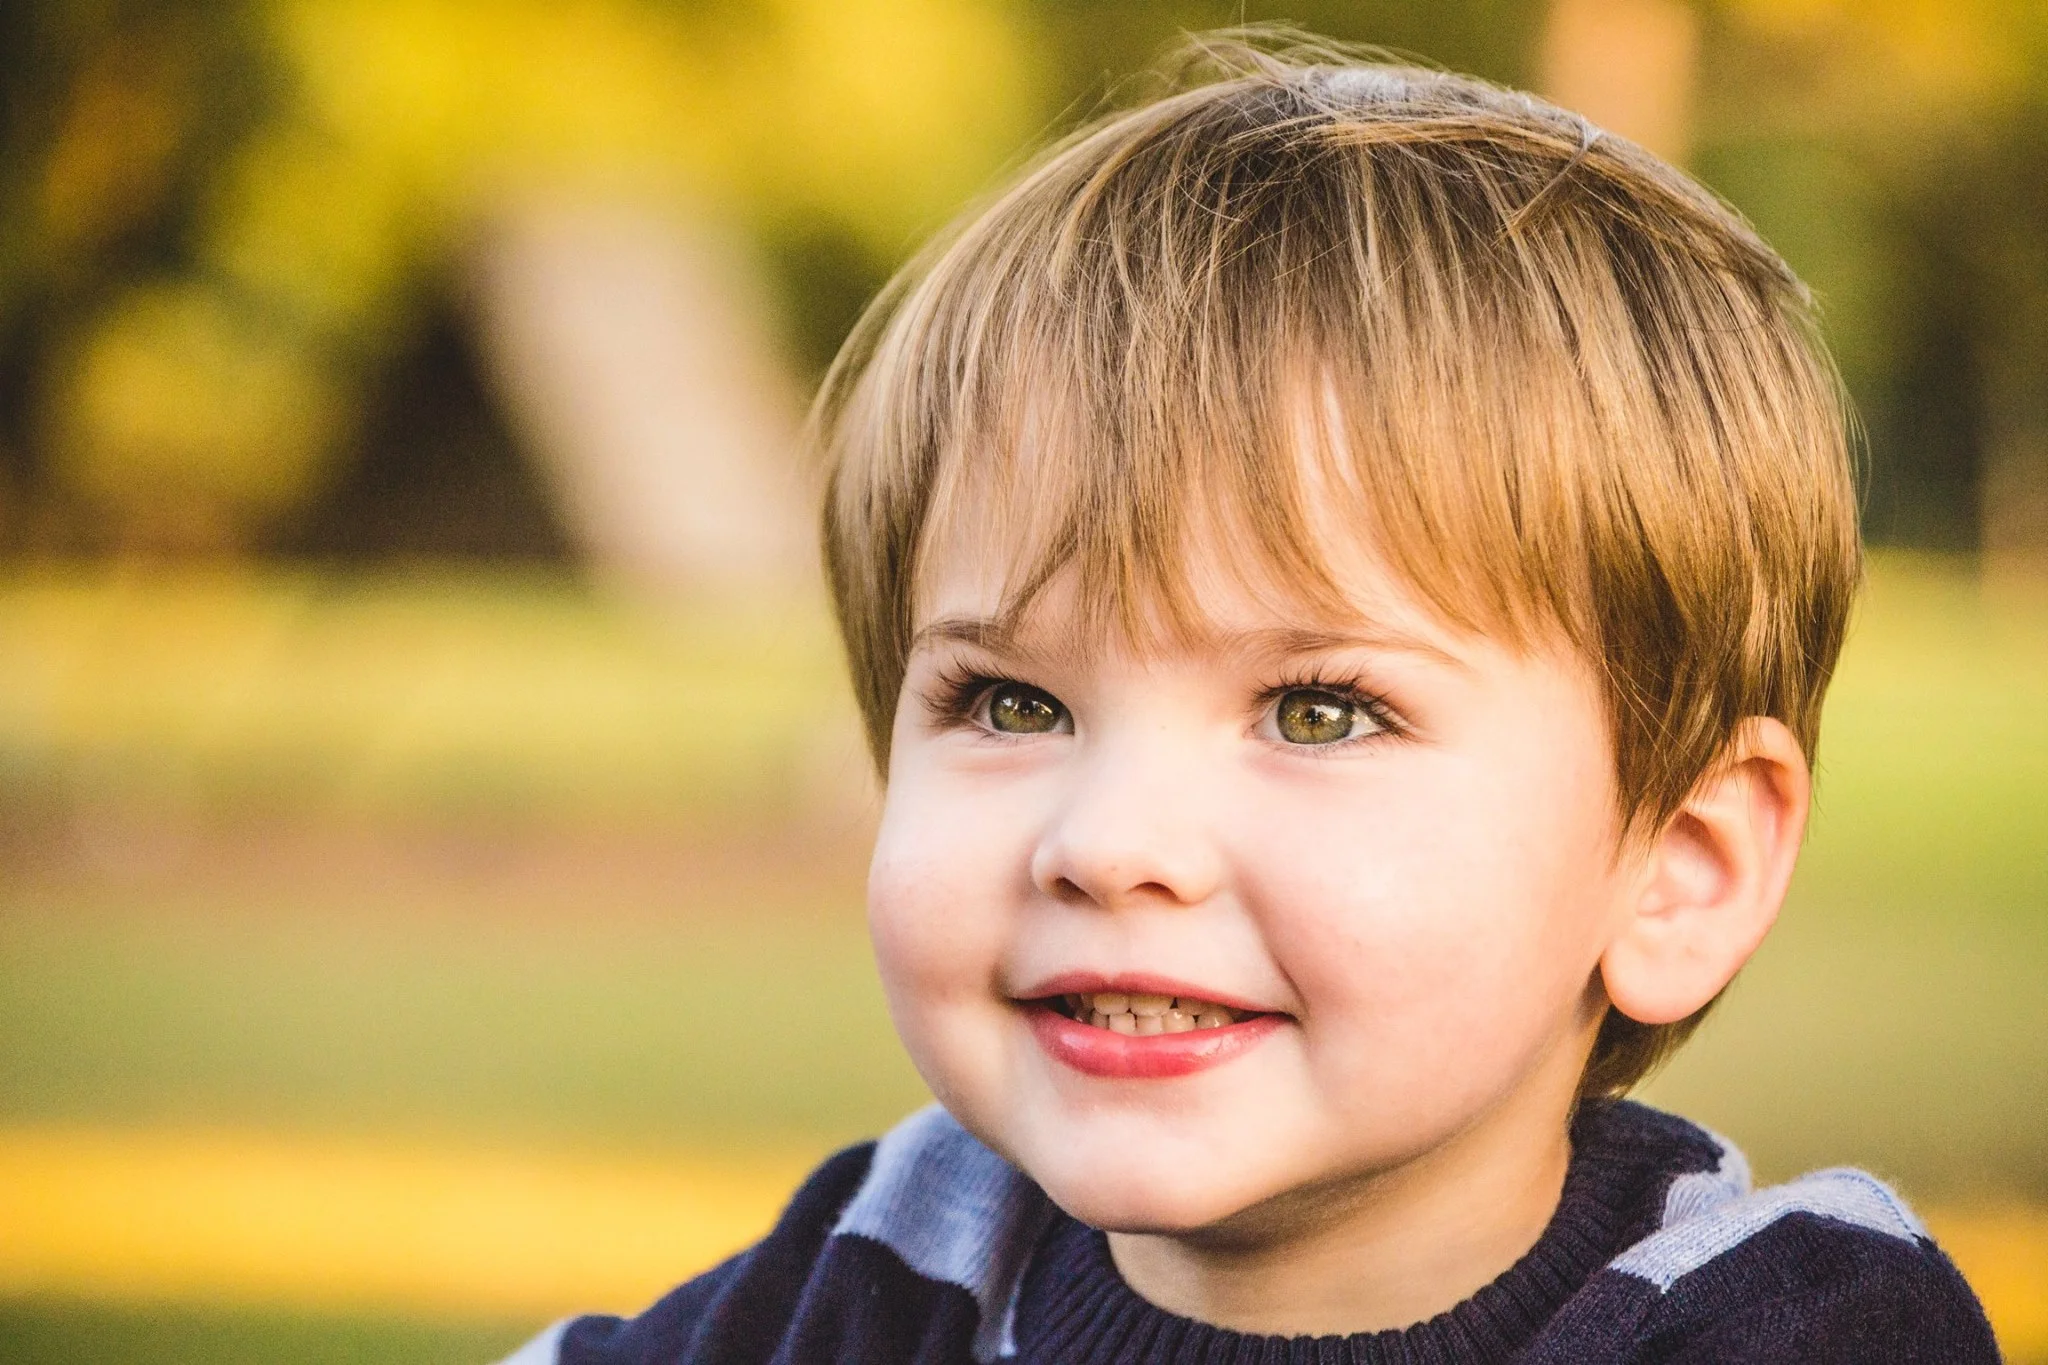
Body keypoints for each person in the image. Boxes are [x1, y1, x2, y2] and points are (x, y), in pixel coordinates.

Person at [501, 35, 2000, 1364]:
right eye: (1012, 704)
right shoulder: (883, 1269)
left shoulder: (1787, 1327)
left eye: (1319, 713)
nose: (1111, 843)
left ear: (1679, 866)